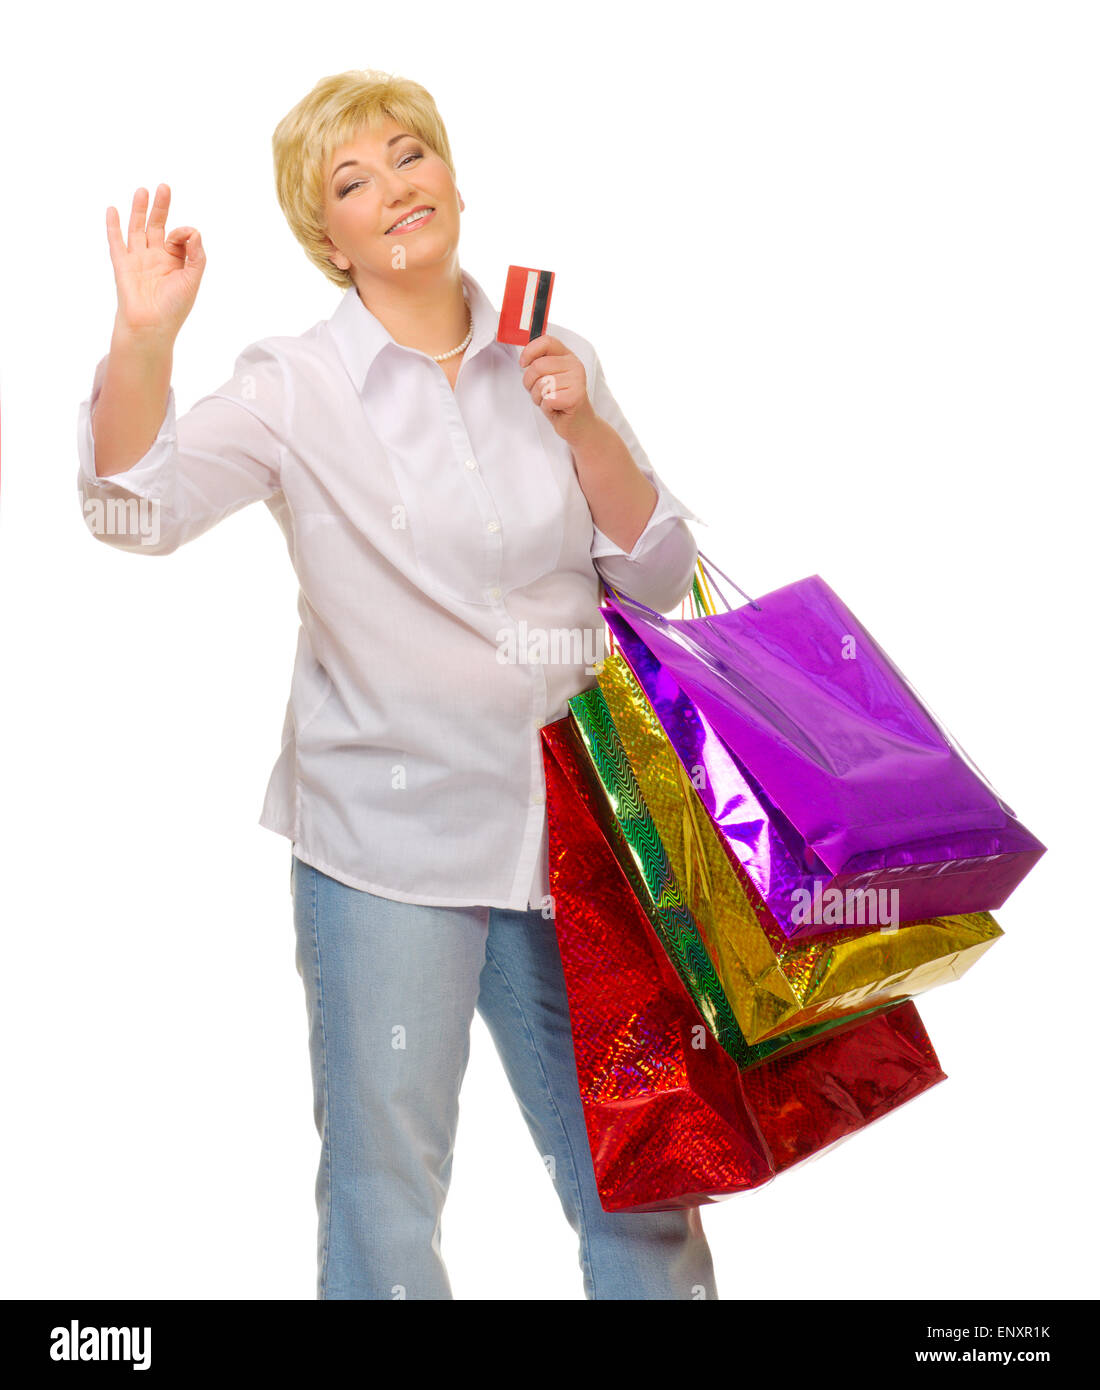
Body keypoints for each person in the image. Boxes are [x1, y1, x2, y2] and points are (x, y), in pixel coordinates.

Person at [77, 67, 716, 1300]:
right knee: (386, 1203)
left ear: (452, 177)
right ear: (329, 237)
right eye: (351, 182)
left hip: (579, 839)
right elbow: (130, 507)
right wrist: (143, 341)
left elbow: (659, 577)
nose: (393, 189)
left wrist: (582, 425)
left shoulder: (547, 349)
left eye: (407, 155)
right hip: (386, 849)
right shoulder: (289, 384)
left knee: (641, 1184)